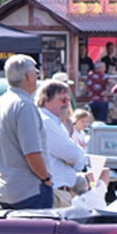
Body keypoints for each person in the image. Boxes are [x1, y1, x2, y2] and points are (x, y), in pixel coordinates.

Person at [0, 55, 53, 210]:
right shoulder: (24, 106)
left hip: (5, 190)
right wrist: (46, 179)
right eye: (36, 72)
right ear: (28, 76)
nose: (38, 77)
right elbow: (32, 153)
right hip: (29, 191)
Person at [36, 80, 86, 208]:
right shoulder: (46, 122)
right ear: (46, 99)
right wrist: (76, 155)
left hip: (61, 193)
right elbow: (74, 155)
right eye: (62, 100)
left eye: (68, 99)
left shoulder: (56, 122)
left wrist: (75, 157)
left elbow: (79, 163)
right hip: (55, 192)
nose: (67, 104)